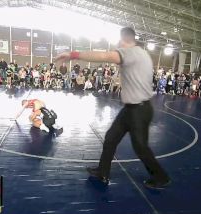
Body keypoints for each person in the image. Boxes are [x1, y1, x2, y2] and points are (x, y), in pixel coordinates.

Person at [55, 27, 170, 189]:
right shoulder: (143, 54)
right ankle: (103, 171)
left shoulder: (130, 53)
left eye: (119, 41)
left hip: (139, 110)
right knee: (110, 138)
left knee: (140, 147)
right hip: (132, 109)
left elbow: (105, 56)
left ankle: (161, 177)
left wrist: (73, 55)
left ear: (123, 40)